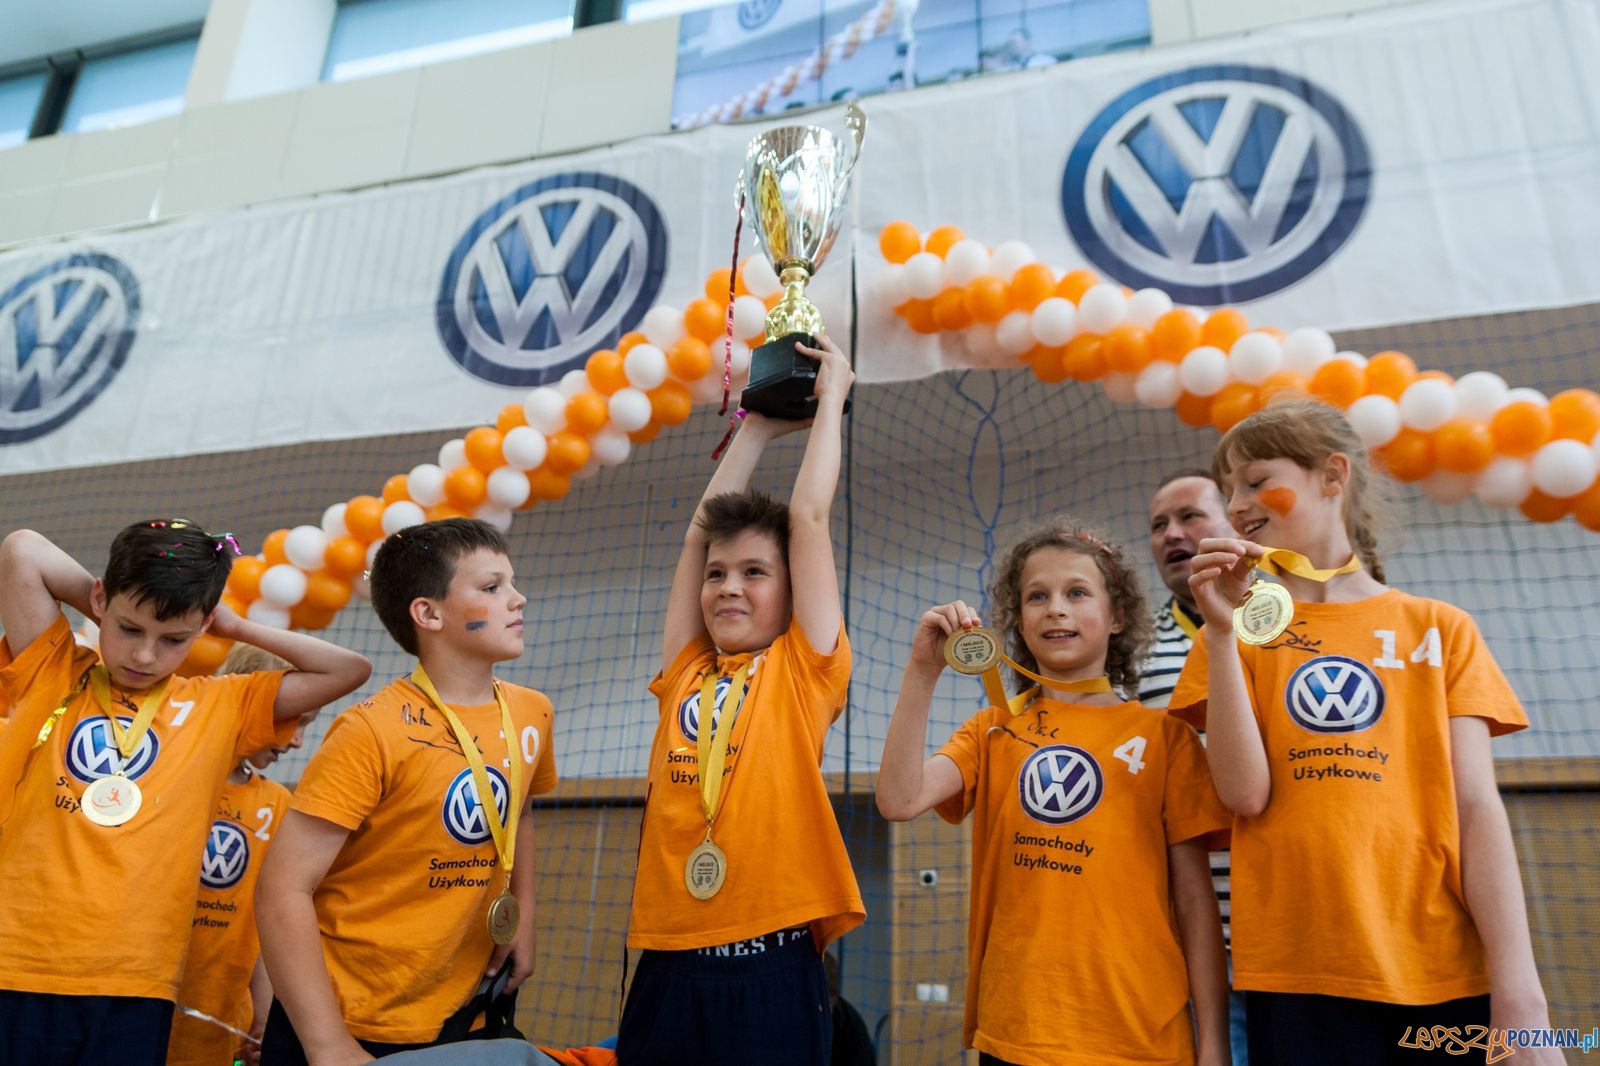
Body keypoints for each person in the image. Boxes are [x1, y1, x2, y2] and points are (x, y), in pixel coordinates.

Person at [1174, 398, 1560, 1065]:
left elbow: (1476, 809)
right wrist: (1220, 633)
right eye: (1228, 489)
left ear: (1332, 476)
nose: (1236, 505)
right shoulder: (1236, 635)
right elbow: (1243, 796)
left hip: (1441, 967)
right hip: (1296, 971)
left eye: (1257, 480)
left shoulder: (1439, 628)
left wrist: (1521, 994)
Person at [0, 520, 371, 1066]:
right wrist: (116, 602)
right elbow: (22, 549)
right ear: (100, 602)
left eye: (173, 639)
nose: (145, 656)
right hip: (14, 965)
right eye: (129, 629)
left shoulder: (222, 706)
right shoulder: (54, 670)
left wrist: (234, 626)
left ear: (202, 628)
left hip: (136, 981)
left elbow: (349, 669)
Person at [877, 517, 1231, 1066]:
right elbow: (899, 800)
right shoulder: (994, 730)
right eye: (1036, 596)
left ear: (1117, 617)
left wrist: (1215, 1042)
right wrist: (923, 670)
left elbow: (1193, 901)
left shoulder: (1166, 739)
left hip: (1141, 1039)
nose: (1055, 609)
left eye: (1077, 593)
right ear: (1019, 622)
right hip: (1018, 1031)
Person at [617, 337, 864, 1066]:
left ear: (791, 591)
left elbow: (808, 518)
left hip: (771, 962)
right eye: (718, 574)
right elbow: (696, 540)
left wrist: (831, 402)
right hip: (668, 960)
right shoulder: (686, 670)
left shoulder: (804, 669)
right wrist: (753, 428)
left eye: (755, 572)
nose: (728, 586)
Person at [257, 518, 558, 1065]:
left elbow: (520, 812)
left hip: (462, 1008)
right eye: (492, 587)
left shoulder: (531, 711)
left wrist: (525, 914)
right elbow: (282, 889)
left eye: (512, 583)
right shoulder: (370, 730)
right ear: (429, 614)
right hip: (346, 1017)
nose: (519, 599)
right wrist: (326, 1044)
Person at [167, 644, 316, 1066]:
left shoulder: (276, 804)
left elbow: (267, 923)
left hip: (219, 1021)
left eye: (307, 723)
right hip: (141, 1005)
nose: (298, 740)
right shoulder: (173, 777)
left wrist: (264, 1013)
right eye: (293, 718)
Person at [1142, 468, 1247, 1063]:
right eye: (1158, 525)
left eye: (1189, 516)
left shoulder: (1284, 623)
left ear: (1235, 525)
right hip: (1185, 937)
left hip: (1286, 924)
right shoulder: (1131, 653)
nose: (1171, 534)